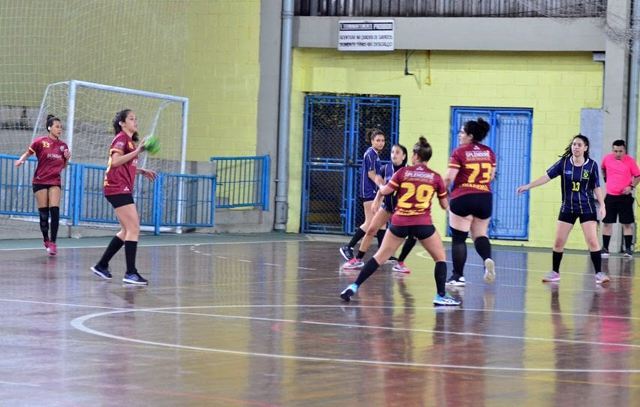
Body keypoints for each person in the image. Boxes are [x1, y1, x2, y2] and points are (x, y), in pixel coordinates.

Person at [340, 137, 460, 306]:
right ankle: (440, 295)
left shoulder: (402, 173)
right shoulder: (435, 177)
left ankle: (353, 286)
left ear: (415, 156)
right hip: (423, 223)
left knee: (379, 257)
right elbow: (444, 205)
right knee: (440, 258)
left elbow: (386, 190)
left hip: (400, 221)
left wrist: (380, 186)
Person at [516, 134, 609, 284]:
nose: (576, 147)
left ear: (585, 148)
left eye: (579, 145)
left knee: (592, 241)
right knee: (559, 242)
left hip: (587, 208)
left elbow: (597, 187)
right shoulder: (563, 163)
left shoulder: (592, 165)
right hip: (568, 207)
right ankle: (555, 272)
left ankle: (599, 273)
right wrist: (528, 186)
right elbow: (546, 177)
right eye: (574, 144)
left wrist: (603, 205)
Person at [90, 109, 156, 285]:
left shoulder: (128, 142)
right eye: (131, 119)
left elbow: (125, 164)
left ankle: (101, 266)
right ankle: (130, 272)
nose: (135, 121)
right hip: (117, 187)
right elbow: (116, 161)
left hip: (119, 187)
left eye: (136, 118)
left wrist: (140, 170)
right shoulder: (120, 139)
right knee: (134, 228)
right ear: (122, 123)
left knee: (126, 230)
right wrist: (140, 150)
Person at [344, 143, 417, 272]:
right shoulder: (385, 169)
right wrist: (377, 200)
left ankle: (400, 262)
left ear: (404, 156)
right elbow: (382, 187)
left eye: (397, 152)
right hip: (388, 206)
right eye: (392, 152)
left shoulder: (408, 171)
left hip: (401, 209)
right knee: (371, 229)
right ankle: (358, 260)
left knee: (407, 235)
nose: (394, 155)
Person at [443, 117, 496, 287]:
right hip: (484, 197)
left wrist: (443, 195)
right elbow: (491, 176)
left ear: (470, 136)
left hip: (463, 196)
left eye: (462, 132)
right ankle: (487, 259)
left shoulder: (459, 152)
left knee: (459, 238)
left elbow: (448, 177)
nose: (459, 135)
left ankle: (458, 276)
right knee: (480, 234)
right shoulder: (489, 152)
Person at [15, 114, 71, 256]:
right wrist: (21, 160)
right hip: (40, 180)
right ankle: (46, 239)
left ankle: (53, 242)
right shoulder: (40, 142)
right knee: (44, 214)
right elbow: (28, 153)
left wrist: (67, 158)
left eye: (61, 127)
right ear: (49, 127)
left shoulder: (63, 146)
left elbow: (63, 166)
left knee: (55, 210)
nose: (60, 129)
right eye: (57, 126)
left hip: (55, 181)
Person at [340, 128, 385, 262]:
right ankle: (348, 247)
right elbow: (371, 174)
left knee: (382, 222)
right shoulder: (370, 154)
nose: (381, 143)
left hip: (374, 191)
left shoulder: (375, 154)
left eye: (383, 140)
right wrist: (382, 185)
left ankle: (383, 251)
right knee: (370, 222)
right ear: (372, 141)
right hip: (368, 191)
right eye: (378, 140)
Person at [600, 139, 640, 257]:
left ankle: (628, 250)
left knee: (627, 224)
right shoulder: (607, 159)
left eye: (620, 151)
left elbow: (638, 176)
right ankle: (605, 248)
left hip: (624, 198)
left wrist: (631, 186)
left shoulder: (630, 161)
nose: (617, 153)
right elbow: (603, 169)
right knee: (607, 223)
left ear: (624, 150)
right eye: (615, 151)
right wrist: (606, 179)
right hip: (610, 197)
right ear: (613, 150)